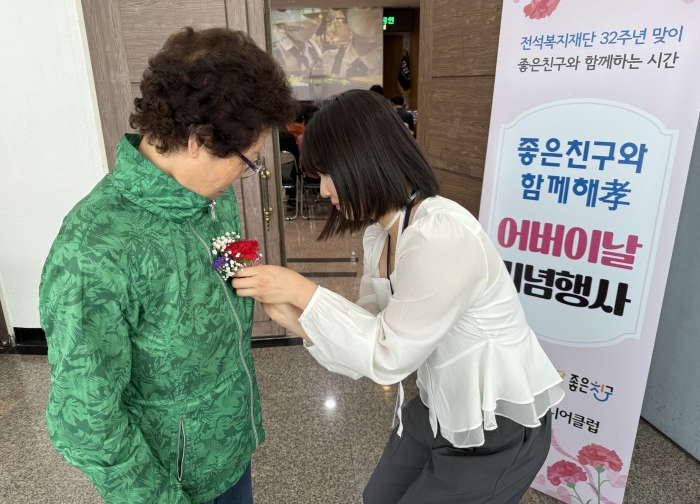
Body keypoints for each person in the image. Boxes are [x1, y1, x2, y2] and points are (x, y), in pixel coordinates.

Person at [232, 89, 565, 503]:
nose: (324, 191)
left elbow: (388, 357)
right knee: (378, 497)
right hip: (439, 403)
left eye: (329, 174)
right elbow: (367, 332)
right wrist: (290, 314)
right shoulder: (382, 233)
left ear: (365, 158)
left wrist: (302, 290)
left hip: (497, 420)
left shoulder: (440, 234)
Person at [39, 27, 297, 504]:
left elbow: (222, 258)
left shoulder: (210, 197)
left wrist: (260, 283)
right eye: (247, 161)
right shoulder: (94, 249)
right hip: (172, 482)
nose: (245, 174)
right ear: (199, 139)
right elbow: (86, 421)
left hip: (230, 442)